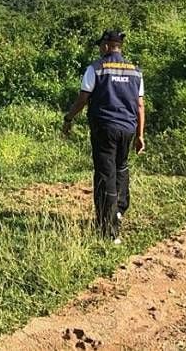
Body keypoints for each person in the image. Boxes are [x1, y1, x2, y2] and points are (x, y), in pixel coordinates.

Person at [62, 30, 145, 244]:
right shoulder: (135, 71)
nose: (100, 49)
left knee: (104, 175)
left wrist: (69, 118)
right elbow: (140, 105)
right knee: (121, 167)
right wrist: (140, 135)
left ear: (108, 46)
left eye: (101, 45)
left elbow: (83, 98)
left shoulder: (96, 68)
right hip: (128, 127)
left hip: (104, 127)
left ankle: (109, 231)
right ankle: (120, 208)